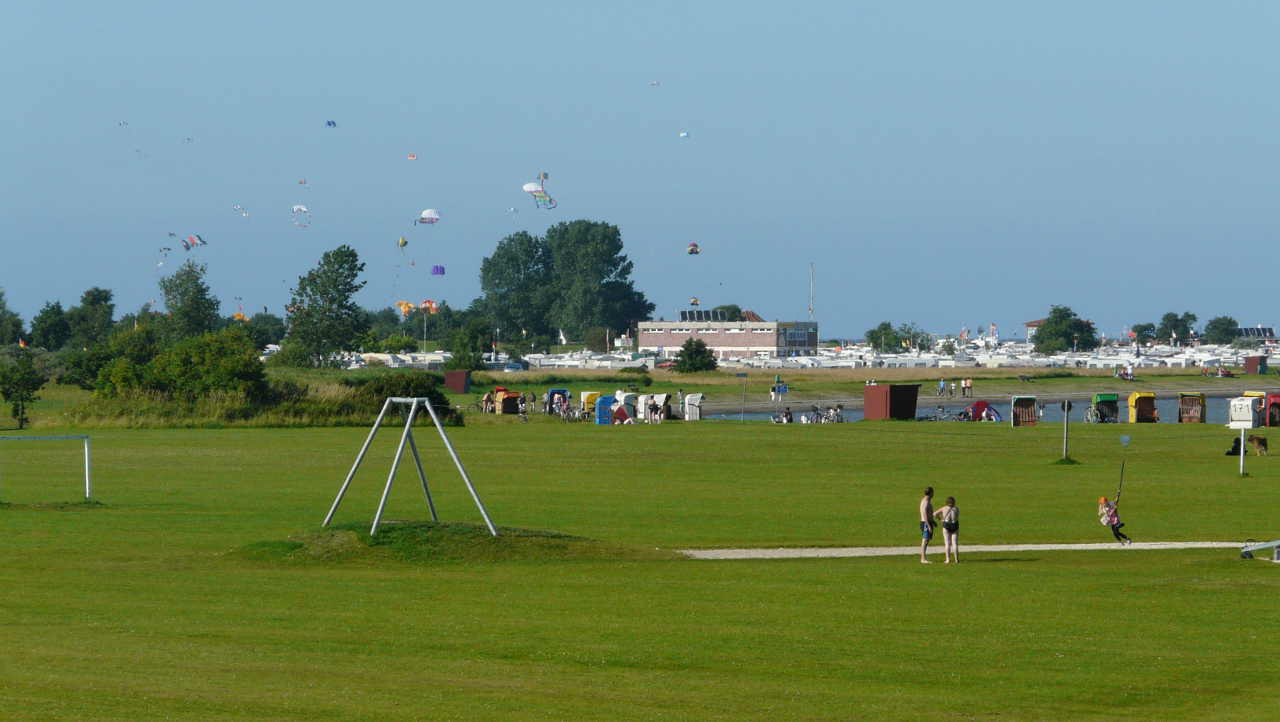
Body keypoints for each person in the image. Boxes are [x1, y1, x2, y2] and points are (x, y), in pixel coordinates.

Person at [932, 496, 960, 563]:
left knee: (947, 543)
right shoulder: (956, 509)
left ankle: (948, 559)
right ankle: (956, 559)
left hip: (946, 525)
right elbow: (957, 516)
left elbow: (934, 514)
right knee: (955, 543)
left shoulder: (944, 508)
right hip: (955, 525)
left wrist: (940, 519)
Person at [919, 487, 936, 563]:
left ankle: (923, 557)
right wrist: (928, 525)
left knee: (926, 540)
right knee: (925, 540)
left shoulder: (927, 501)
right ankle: (923, 559)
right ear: (931, 493)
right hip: (926, 523)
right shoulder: (925, 502)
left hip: (928, 522)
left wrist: (932, 521)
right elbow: (924, 514)